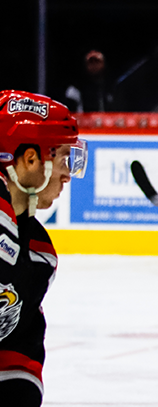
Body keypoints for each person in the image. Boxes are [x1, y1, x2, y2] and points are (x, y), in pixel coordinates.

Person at [0, 90, 90, 407]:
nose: (68, 173)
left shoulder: (38, 255)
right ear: (29, 159)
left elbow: (16, 347)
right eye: (63, 157)